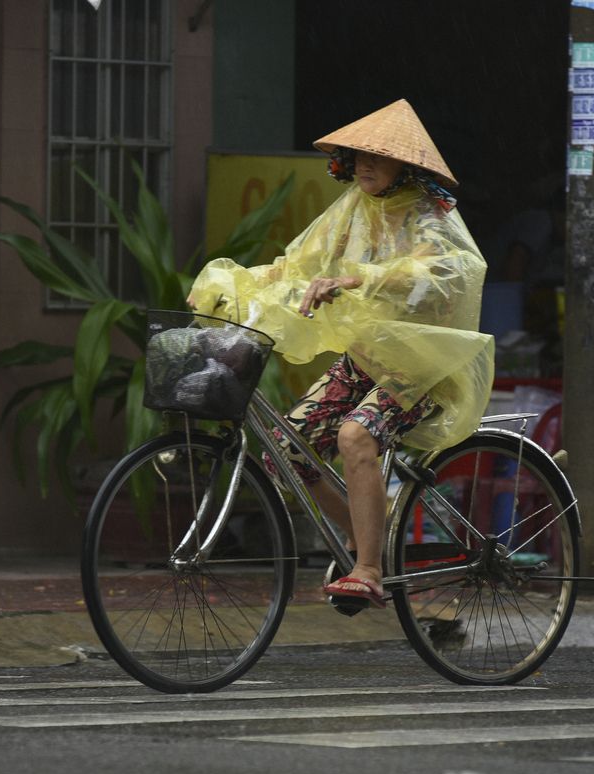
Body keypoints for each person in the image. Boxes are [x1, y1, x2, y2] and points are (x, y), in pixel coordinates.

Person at [187, 99, 494, 612]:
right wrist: (230, 287)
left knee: (355, 436)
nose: (364, 166)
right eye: (356, 157)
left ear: (407, 165)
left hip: (422, 366)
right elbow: (297, 265)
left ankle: (371, 568)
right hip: (366, 357)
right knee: (285, 455)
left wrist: (358, 278)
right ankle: (372, 530)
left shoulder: (429, 214)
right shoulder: (352, 208)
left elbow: (446, 276)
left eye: (377, 156)